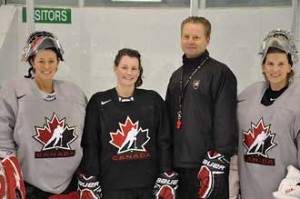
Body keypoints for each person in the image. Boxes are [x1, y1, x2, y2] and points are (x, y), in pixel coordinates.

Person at [78, 48, 178, 199]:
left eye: (134, 68)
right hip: (111, 187)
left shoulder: (153, 100)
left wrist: (166, 172)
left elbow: (164, 141)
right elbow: (91, 143)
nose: (129, 72)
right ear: (115, 68)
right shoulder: (99, 102)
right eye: (124, 67)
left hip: (147, 186)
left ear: (139, 71)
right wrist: (90, 176)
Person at [0, 31, 87, 198]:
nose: (46, 66)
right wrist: (6, 161)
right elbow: (2, 129)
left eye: (51, 61)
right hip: (30, 185)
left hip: (70, 185)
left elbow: (88, 133)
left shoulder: (74, 93)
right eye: (41, 61)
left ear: (58, 63)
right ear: (32, 61)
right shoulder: (14, 90)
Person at [165, 16, 237, 199]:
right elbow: (167, 123)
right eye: (186, 36)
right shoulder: (176, 76)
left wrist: (217, 162)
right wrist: (166, 166)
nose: (190, 41)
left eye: (196, 37)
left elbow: (225, 122)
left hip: (207, 168)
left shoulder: (220, 73)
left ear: (208, 39)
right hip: (178, 167)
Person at [238, 29, 300, 198]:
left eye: (280, 64)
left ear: (290, 66)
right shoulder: (247, 97)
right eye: (270, 64)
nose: (275, 69)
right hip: (249, 191)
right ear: (263, 67)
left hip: (285, 193)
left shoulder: (297, 100)